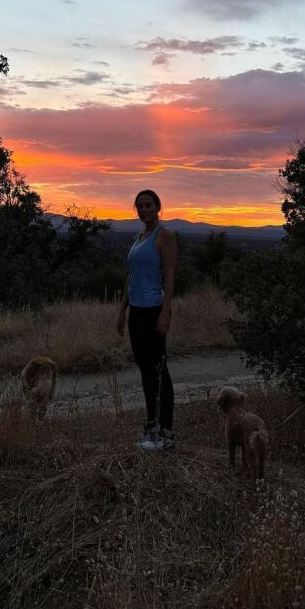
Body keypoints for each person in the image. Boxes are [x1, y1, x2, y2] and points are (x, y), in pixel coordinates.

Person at [116, 189, 178, 451]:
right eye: (139, 206)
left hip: (154, 309)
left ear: (158, 207)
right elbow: (132, 275)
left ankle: (166, 433)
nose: (143, 209)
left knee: (158, 369)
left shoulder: (163, 235)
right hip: (136, 312)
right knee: (144, 369)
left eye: (148, 205)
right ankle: (151, 425)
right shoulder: (139, 236)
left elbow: (170, 275)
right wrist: (122, 310)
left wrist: (166, 312)